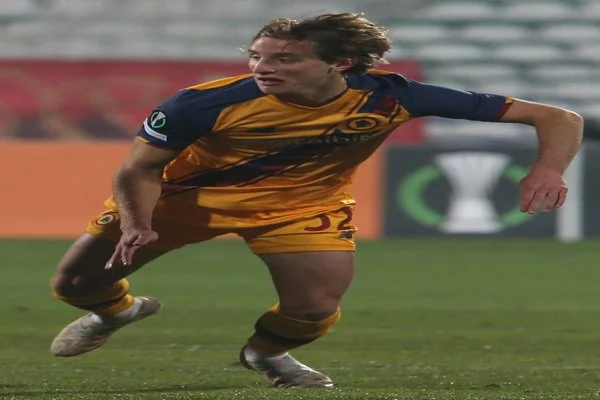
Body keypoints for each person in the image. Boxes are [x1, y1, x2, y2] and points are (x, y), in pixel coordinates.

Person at [49, 12, 583, 389]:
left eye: (285, 58)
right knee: (74, 285)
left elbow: (557, 117)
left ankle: (266, 354)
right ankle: (118, 312)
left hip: (302, 207)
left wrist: (547, 168)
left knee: (313, 307)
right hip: (182, 201)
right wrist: (137, 223)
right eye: (256, 55)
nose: (263, 67)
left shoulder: (392, 96)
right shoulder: (201, 104)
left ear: (342, 63)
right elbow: (138, 168)